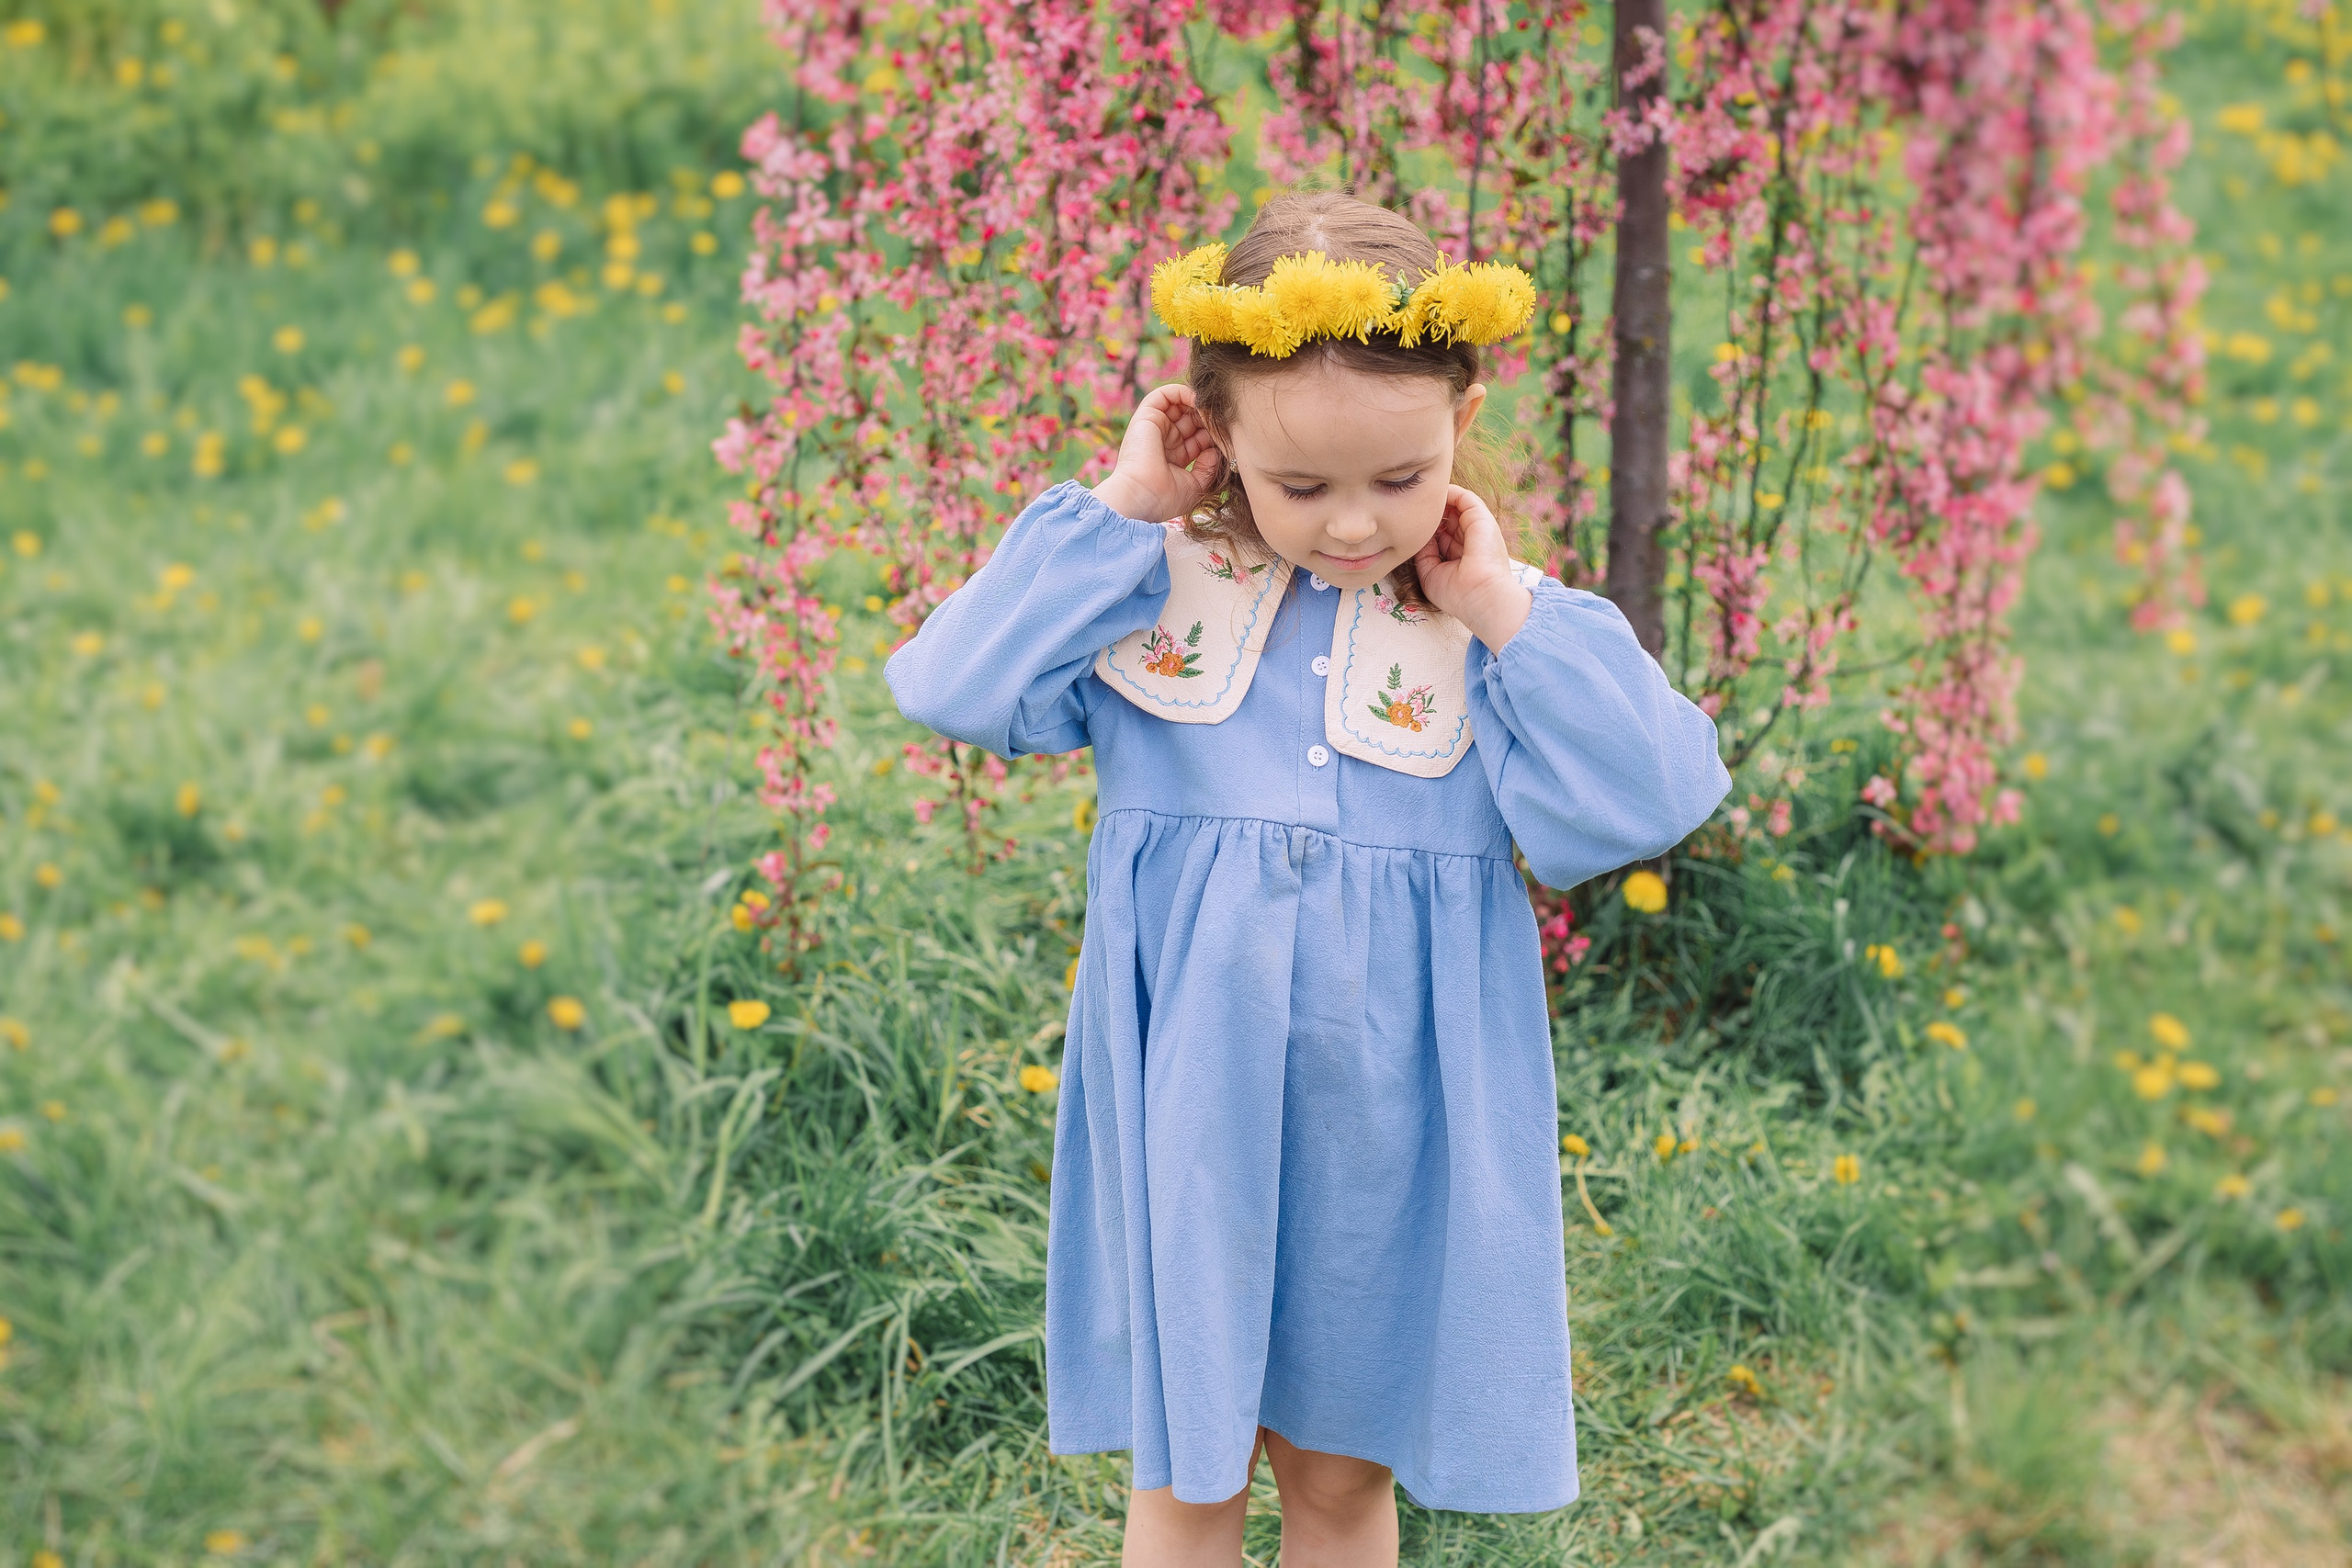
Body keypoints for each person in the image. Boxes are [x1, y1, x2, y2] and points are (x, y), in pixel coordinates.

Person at [888, 192, 1730, 1567]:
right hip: (1193, 1113)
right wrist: (1122, 508)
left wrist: (1504, 610)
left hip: (1385, 1137)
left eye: (1399, 480)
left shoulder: (1486, 632)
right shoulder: (1154, 591)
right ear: (1218, 443)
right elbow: (952, 683)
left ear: (1461, 422)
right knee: (1188, 1485)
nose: (1354, 526)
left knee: (1340, 1487)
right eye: (1303, 487)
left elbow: (1661, 791)